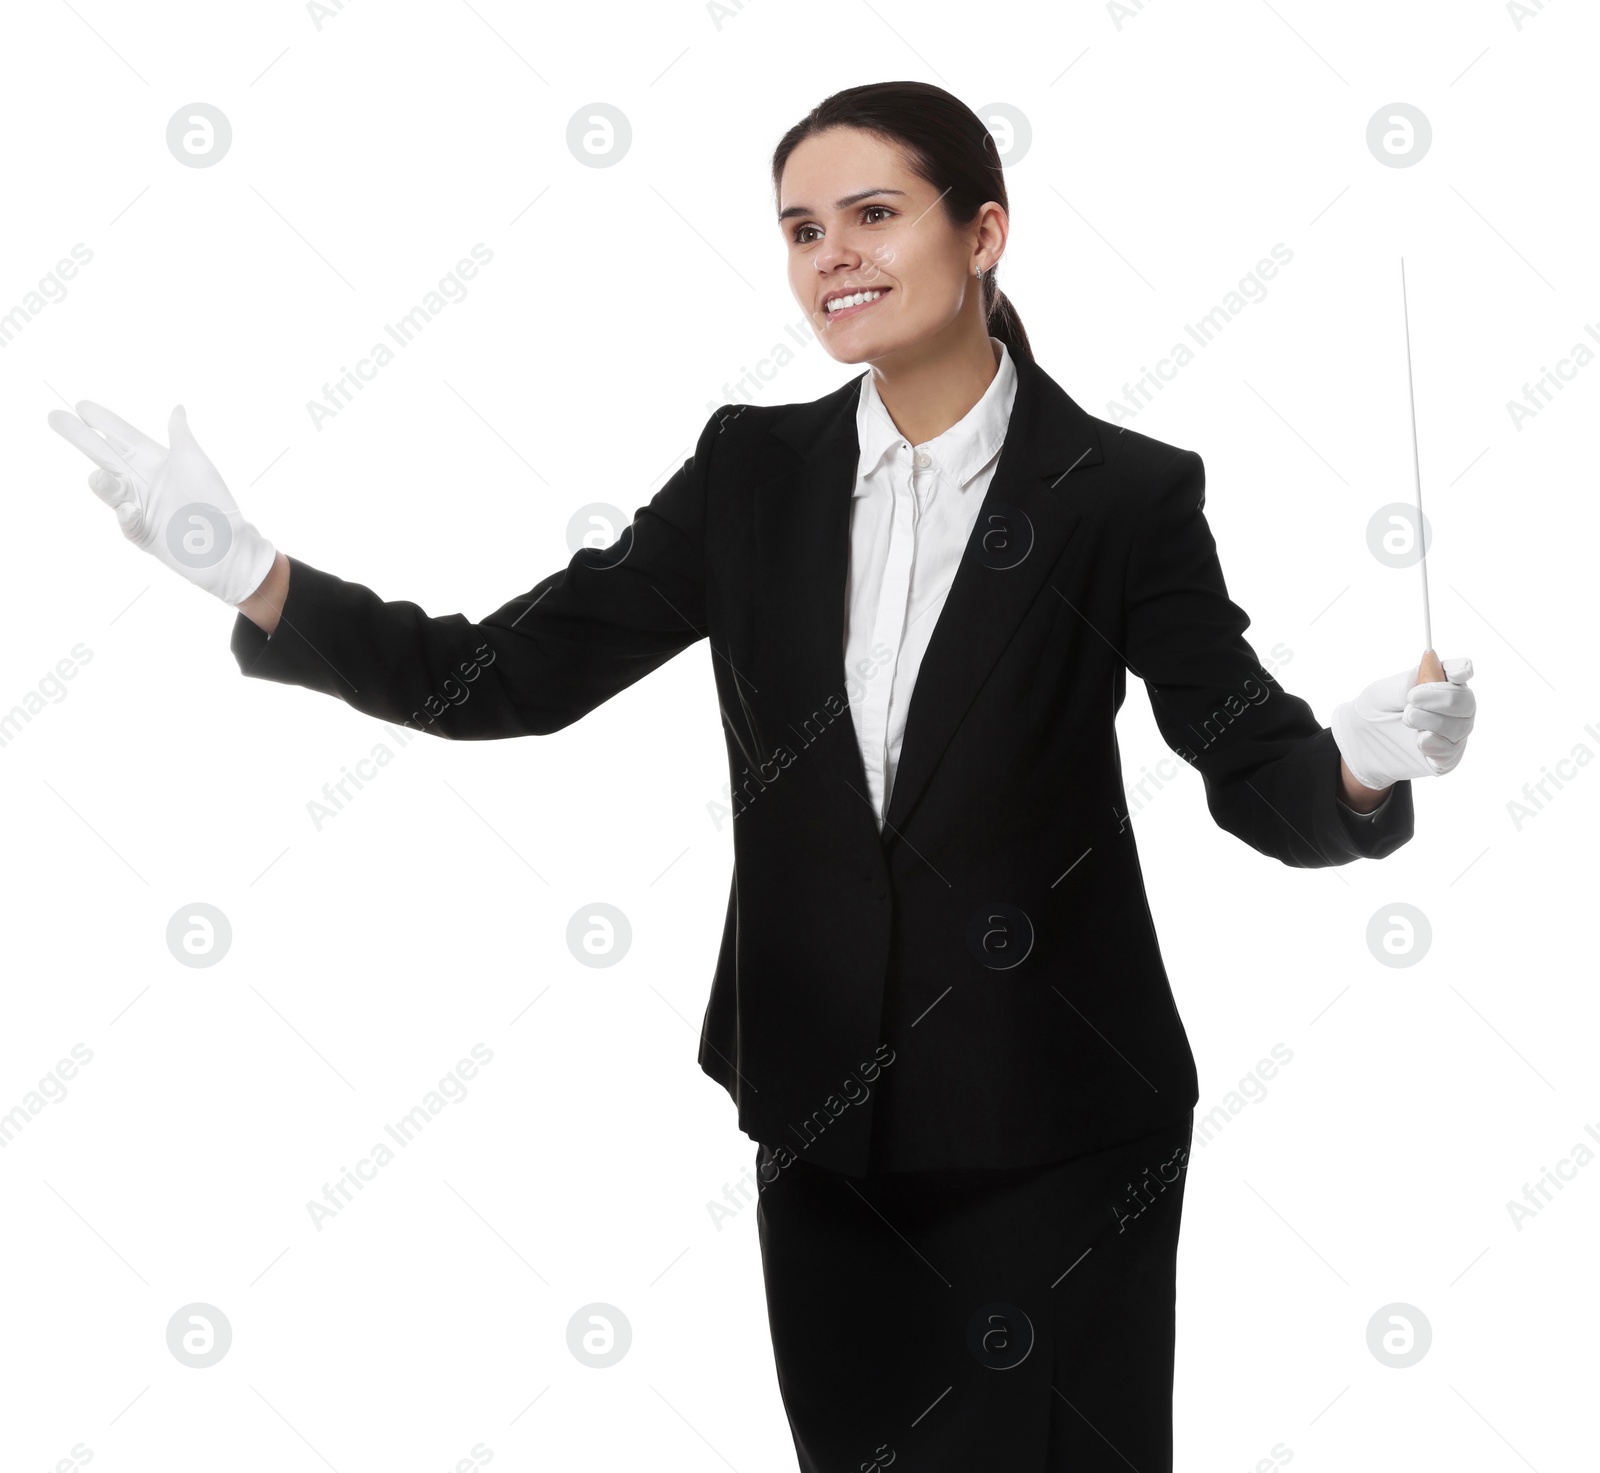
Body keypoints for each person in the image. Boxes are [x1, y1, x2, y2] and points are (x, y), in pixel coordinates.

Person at [50, 80, 1476, 1473]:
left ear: (984, 232)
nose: (832, 255)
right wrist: (242, 569)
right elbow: (507, 679)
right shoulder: (751, 474)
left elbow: (1245, 748)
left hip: (1056, 1128)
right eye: (801, 229)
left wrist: (1355, 766)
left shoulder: (1119, 492)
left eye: (872, 213)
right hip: (820, 1113)